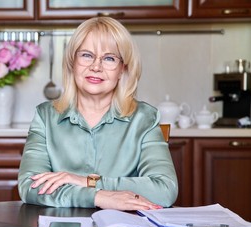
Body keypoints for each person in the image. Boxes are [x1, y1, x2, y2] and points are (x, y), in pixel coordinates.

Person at [18, 17, 178, 211]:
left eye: (109, 58)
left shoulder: (145, 118)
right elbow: (29, 187)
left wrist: (85, 181)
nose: (96, 66)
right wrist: (98, 196)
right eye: (86, 55)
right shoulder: (45, 116)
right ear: (72, 62)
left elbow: (165, 190)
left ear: (122, 70)